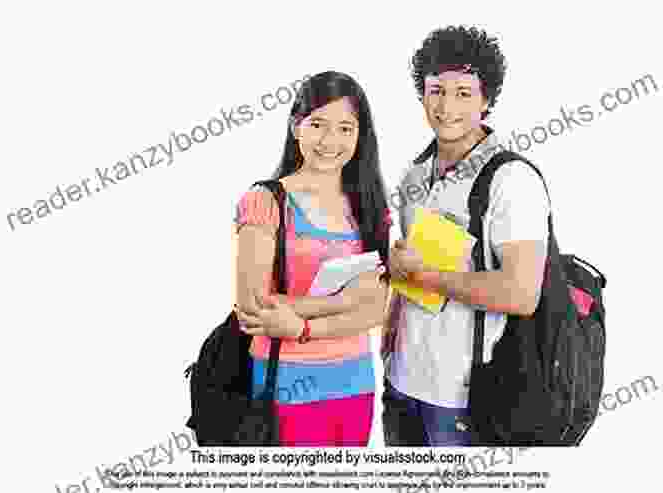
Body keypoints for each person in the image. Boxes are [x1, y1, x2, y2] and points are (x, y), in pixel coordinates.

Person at [382, 25, 550, 446]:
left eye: (463, 93)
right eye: (436, 90)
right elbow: (408, 273)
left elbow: (521, 293)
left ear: (487, 100)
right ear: (421, 93)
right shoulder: (414, 175)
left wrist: (425, 275)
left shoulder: (512, 179)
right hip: (400, 383)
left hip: (465, 397)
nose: (446, 106)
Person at [233, 71, 391, 446]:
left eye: (345, 128)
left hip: (355, 386)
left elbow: (375, 312)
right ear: (295, 126)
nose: (330, 141)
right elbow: (252, 309)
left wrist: (302, 326)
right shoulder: (266, 200)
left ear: (360, 134)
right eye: (317, 124)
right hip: (285, 387)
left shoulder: (370, 208)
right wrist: (340, 303)